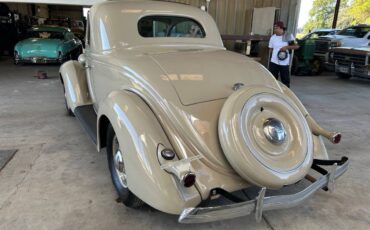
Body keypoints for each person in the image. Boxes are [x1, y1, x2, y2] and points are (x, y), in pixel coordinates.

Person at [268, 21, 299, 88]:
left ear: (281, 28)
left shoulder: (288, 36)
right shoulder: (273, 37)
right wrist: (271, 59)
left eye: (276, 28)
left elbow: (296, 46)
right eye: (274, 28)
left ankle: (286, 93)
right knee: (272, 79)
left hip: (284, 63)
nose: (275, 29)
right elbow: (270, 49)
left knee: (285, 80)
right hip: (274, 62)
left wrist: (286, 47)